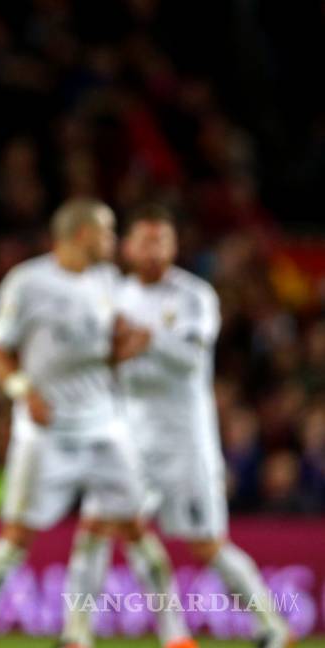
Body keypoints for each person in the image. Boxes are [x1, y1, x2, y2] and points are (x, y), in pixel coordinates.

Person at [0, 199, 190, 648]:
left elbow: (106, 348)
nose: (114, 241)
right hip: (47, 430)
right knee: (18, 537)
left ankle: (174, 636)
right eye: (107, 231)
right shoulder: (28, 282)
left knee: (135, 527)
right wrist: (23, 390)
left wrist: (130, 346)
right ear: (82, 234)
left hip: (105, 425)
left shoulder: (107, 281)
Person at [112, 205, 292, 648]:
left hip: (185, 440)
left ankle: (272, 627)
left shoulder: (194, 296)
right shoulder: (114, 296)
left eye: (162, 242)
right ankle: (174, 634)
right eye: (145, 241)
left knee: (206, 544)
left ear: (174, 247)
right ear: (127, 247)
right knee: (128, 525)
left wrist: (148, 339)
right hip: (134, 436)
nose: (154, 251)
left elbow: (192, 358)